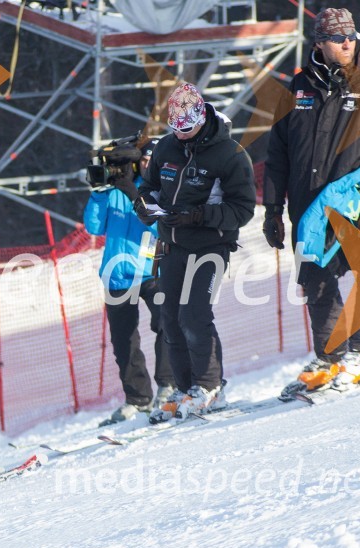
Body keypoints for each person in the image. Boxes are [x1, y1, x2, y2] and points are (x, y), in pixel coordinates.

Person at [263, 8, 360, 397]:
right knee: (317, 283)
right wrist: (272, 210)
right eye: (336, 37)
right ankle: (330, 358)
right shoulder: (298, 88)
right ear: (320, 43)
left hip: (358, 202)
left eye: (350, 35)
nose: (346, 42)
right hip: (307, 206)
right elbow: (277, 156)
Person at [136, 83, 256, 422]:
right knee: (169, 319)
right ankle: (185, 387)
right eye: (176, 129)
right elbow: (150, 187)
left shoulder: (230, 154)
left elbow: (243, 209)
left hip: (210, 246)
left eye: (187, 128)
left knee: (194, 315)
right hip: (173, 244)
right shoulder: (166, 149)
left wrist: (199, 215)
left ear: (201, 117)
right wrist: (144, 204)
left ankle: (209, 385)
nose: (183, 135)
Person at [84, 138, 177, 426]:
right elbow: (94, 227)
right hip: (117, 274)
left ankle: (168, 386)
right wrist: (99, 193)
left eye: (152, 159)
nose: (148, 164)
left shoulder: (158, 188)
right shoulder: (115, 189)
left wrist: (132, 190)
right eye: (145, 160)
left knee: (165, 325)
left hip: (151, 270)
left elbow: (155, 221)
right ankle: (137, 398)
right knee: (123, 341)